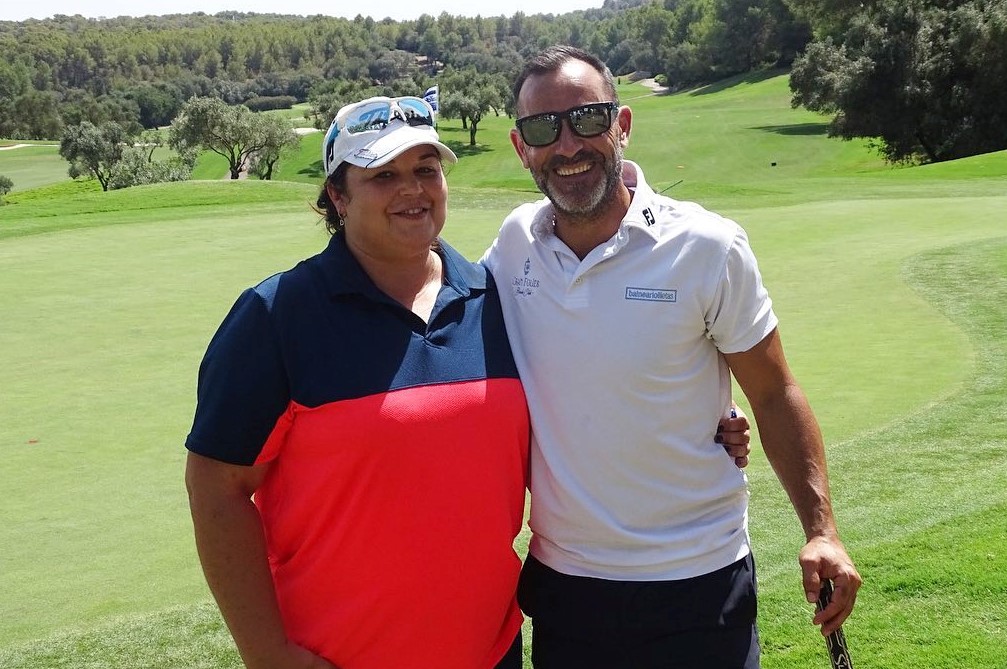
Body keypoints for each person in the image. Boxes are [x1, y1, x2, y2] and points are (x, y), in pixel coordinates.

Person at [481, 45, 862, 668]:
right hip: (570, 591)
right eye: (543, 129)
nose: (568, 146)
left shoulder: (708, 246)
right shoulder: (514, 244)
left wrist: (821, 529)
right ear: (522, 147)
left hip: (701, 583)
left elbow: (773, 392)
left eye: (586, 120)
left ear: (621, 125)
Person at [183, 95, 530, 669]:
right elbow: (216, 491)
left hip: (491, 653)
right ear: (338, 197)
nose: (413, 190)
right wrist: (269, 656)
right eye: (384, 175)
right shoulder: (277, 316)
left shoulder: (495, 300)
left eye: (426, 169)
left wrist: (705, 422)